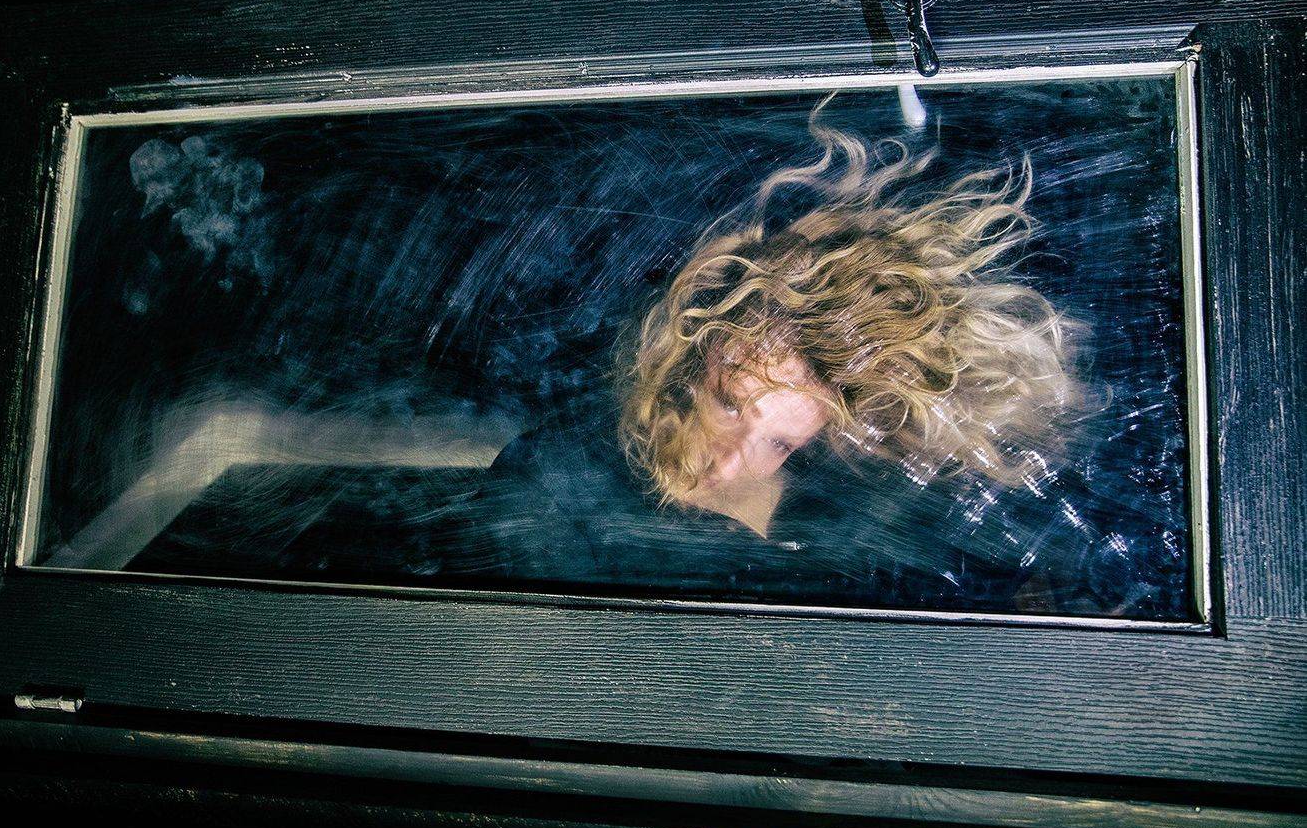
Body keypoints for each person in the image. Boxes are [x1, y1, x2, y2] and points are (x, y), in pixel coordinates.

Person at [466, 115, 1160, 615]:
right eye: (730, 403)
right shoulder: (559, 482)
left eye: (778, 441)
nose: (729, 462)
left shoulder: (840, 518)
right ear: (690, 364)